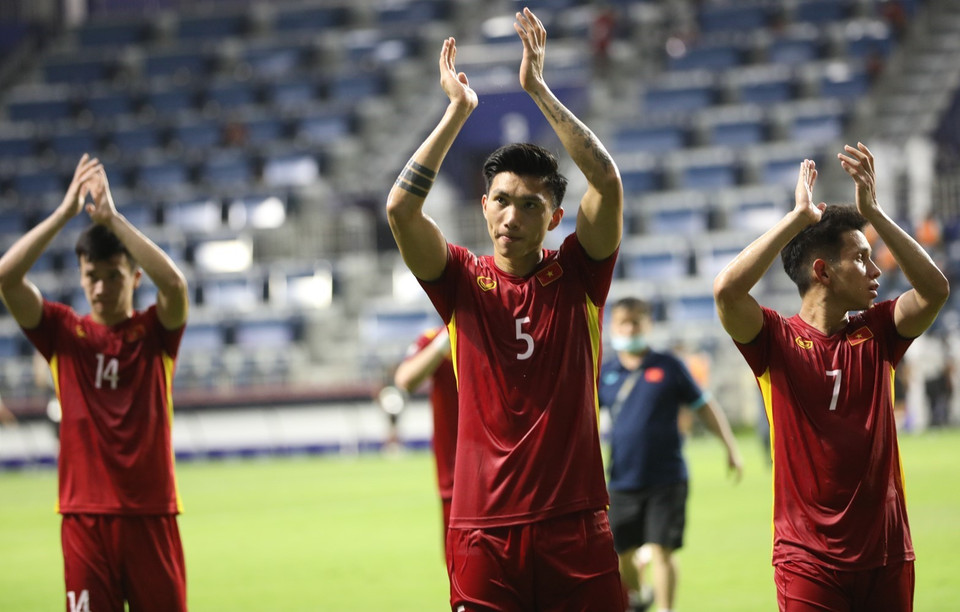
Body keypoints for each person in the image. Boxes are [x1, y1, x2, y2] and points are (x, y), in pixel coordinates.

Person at [385, 8, 626, 610]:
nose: (511, 216)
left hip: (576, 524)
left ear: (555, 217)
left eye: (529, 204)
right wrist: (456, 113)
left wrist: (537, 90)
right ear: (484, 206)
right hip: (483, 533)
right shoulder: (461, 282)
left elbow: (607, 182)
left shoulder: (579, 276)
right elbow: (400, 211)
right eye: (500, 201)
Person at [713, 143, 949, 612]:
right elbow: (726, 291)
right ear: (822, 271)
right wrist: (797, 219)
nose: (876, 269)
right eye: (861, 258)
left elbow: (934, 290)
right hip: (807, 561)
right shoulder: (775, 341)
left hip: (886, 556)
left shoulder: (879, 331)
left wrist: (874, 214)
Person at [0, 154, 191, 612]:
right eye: (92, 277)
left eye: (113, 276)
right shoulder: (63, 334)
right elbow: (6, 277)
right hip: (84, 518)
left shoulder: (156, 334)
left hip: (151, 514)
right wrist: (65, 213)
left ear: (135, 278)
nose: (102, 288)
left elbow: (175, 286)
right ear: (81, 277)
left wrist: (112, 219)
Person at [600, 297, 743, 612]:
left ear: (648, 324)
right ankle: (642, 594)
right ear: (613, 326)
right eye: (623, 322)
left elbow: (703, 405)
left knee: (662, 551)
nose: (629, 328)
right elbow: (582, 419)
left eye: (636, 322)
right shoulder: (605, 372)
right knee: (620, 553)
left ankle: (666, 608)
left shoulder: (669, 366)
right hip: (622, 479)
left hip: (667, 478)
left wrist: (730, 447)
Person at [393, 326, 458, 550]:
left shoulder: (492, 331)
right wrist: (445, 338)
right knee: (458, 562)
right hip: (454, 477)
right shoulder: (434, 338)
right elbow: (405, 379)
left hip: (501, 475)